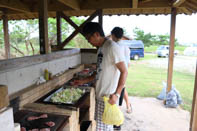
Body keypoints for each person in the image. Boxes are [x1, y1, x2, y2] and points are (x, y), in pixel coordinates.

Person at [73, 22, 128, 131]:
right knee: (101, 126)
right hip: (100, 95)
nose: (88, 41)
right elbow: (98, 71)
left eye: (89, 38)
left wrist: (117, 94)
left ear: (97, 34)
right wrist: (83, 81)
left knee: (104, 128)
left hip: (108, 97)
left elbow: (124, 72)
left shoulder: (112, 47)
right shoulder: (100, 49)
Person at [111, 27, 132, 113]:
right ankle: (128, 105)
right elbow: (128, 62)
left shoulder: (115, 46)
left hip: (118, 72)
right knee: (122, 87)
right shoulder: (126, 47)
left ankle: (119, 109)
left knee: (119, 90)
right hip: (125, 70)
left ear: (113, 35)